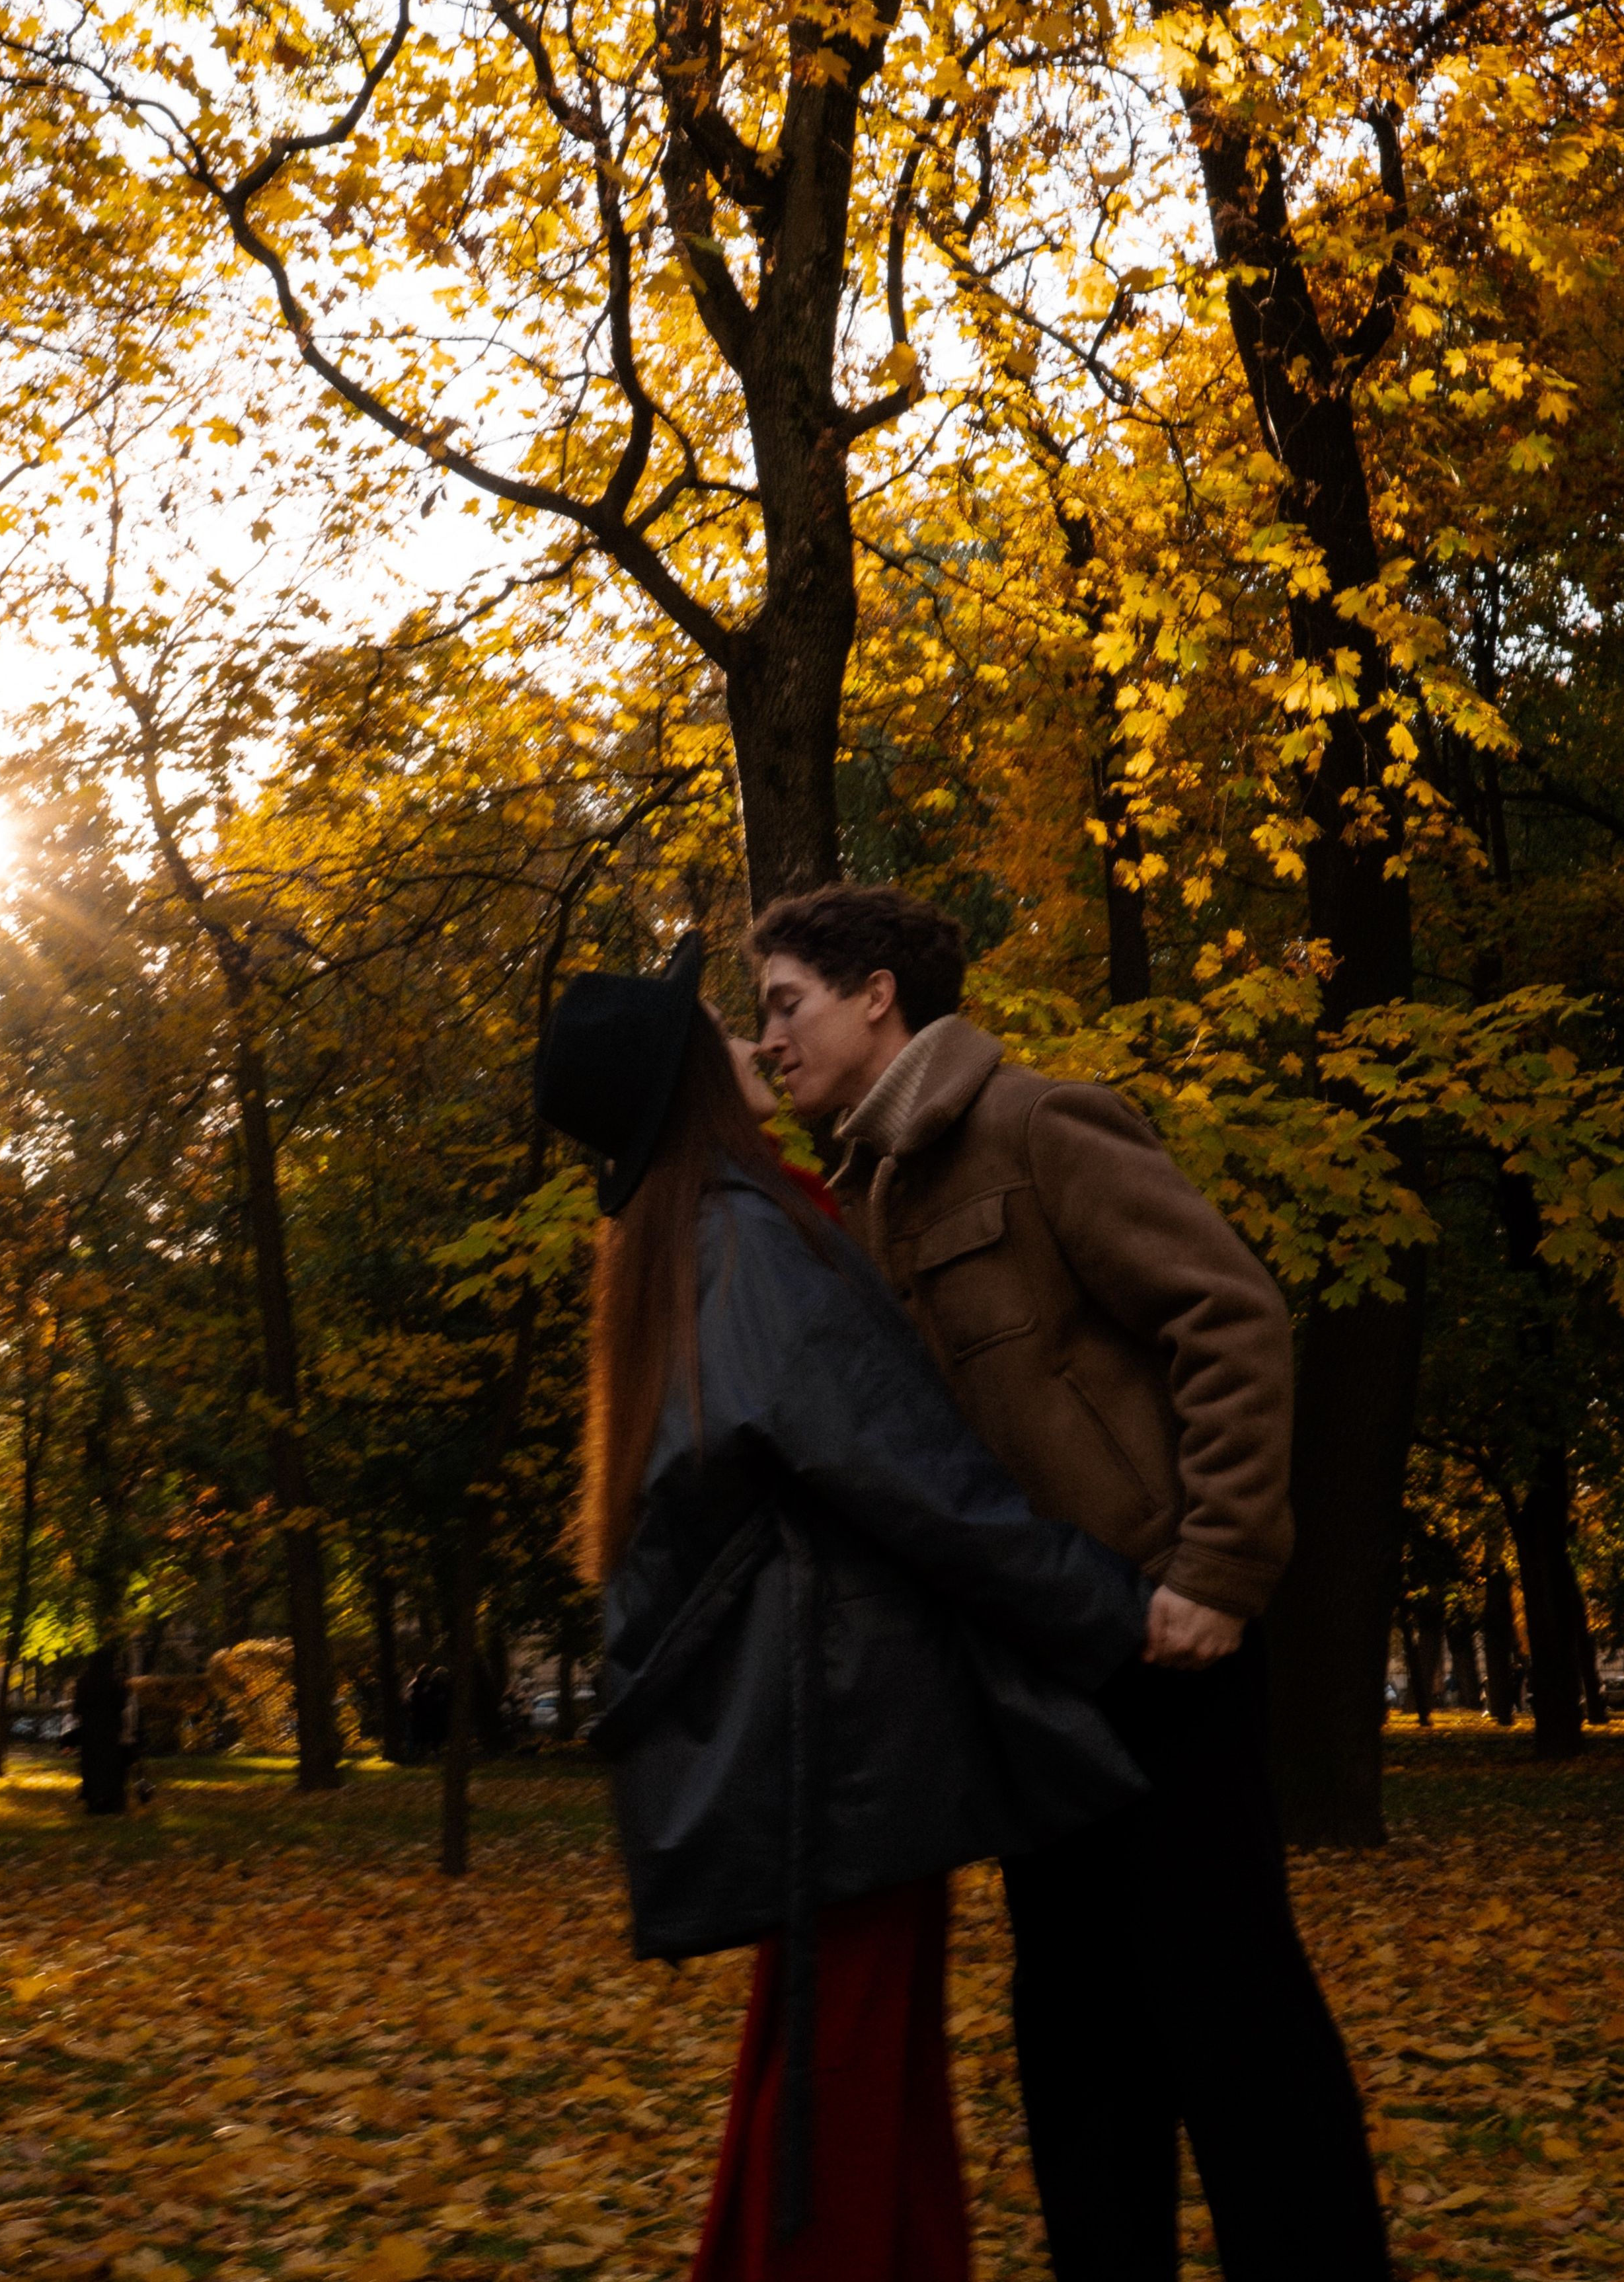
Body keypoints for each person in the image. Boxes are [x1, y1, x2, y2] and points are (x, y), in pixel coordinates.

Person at [752, 883, 1391, 2282]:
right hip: (1023, 1677)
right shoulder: (861, 1196)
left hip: (1168, 1651)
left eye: (785, 1002)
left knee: (1226, 2017)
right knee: (1077, 2036)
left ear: (878, 996)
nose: (771, 1040)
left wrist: (1216, 1568)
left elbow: (1228, 1318)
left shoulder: (1038, 1126)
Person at [534, 930, 1151, 2282]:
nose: (754, 1041)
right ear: (687, 1077)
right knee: (850, 2084)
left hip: (831, 1748)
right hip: (849, 1748)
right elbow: (904, 1472)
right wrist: (1103, 1608)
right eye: (725, 1026)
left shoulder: (698, 1235)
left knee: (836, 2074)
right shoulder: (744, 1238)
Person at [73, 1647, 132, 1816]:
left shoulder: (83, 1682)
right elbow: (121, 1705)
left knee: (92, 1767)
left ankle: (93, 1801)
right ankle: (112, 1802)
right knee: (111, 1767)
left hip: (90, 1732)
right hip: (110, 1731)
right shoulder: (113, 1682)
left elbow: (78, 1708)